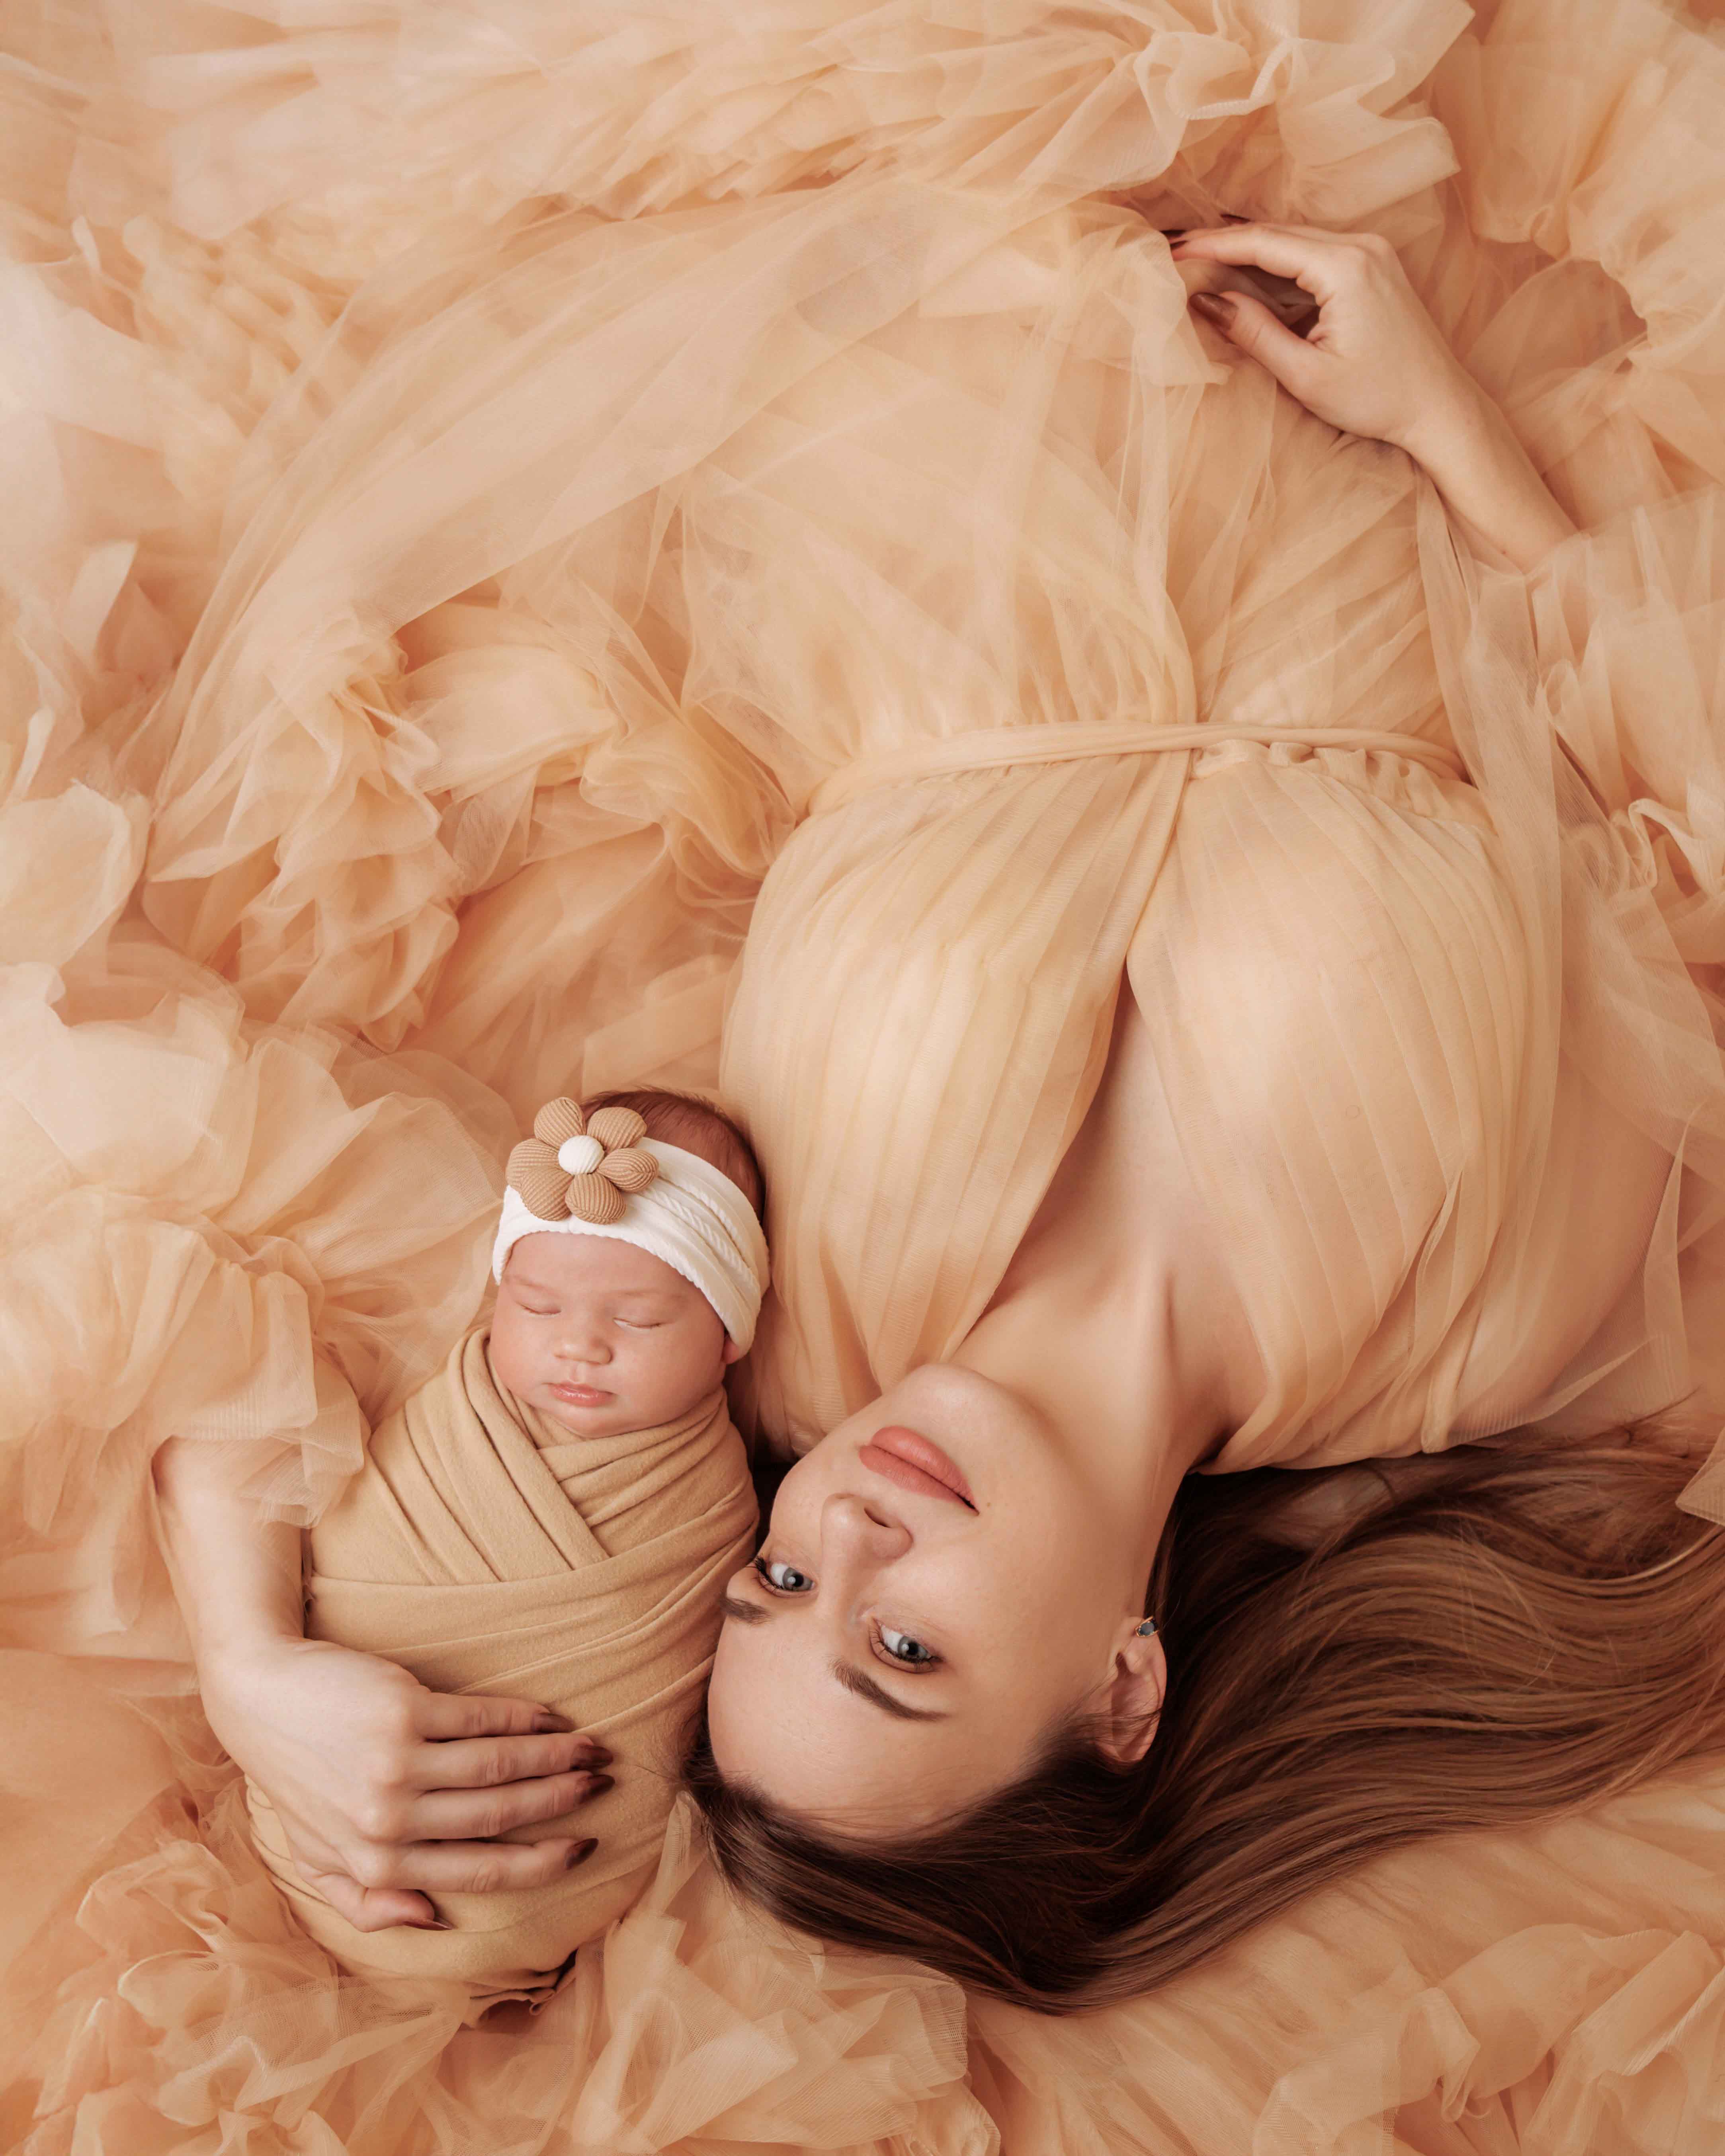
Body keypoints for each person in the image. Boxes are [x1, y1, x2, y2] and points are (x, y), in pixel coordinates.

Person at [240, 1086, 762, 1995]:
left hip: (540, 1895)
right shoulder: (448, 1408)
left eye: (635, 1318)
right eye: (536, 1305)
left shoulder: (714, 1506)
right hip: (307, 1788)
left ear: (729, 1335)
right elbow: (342, 1526)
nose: (579, 1346)